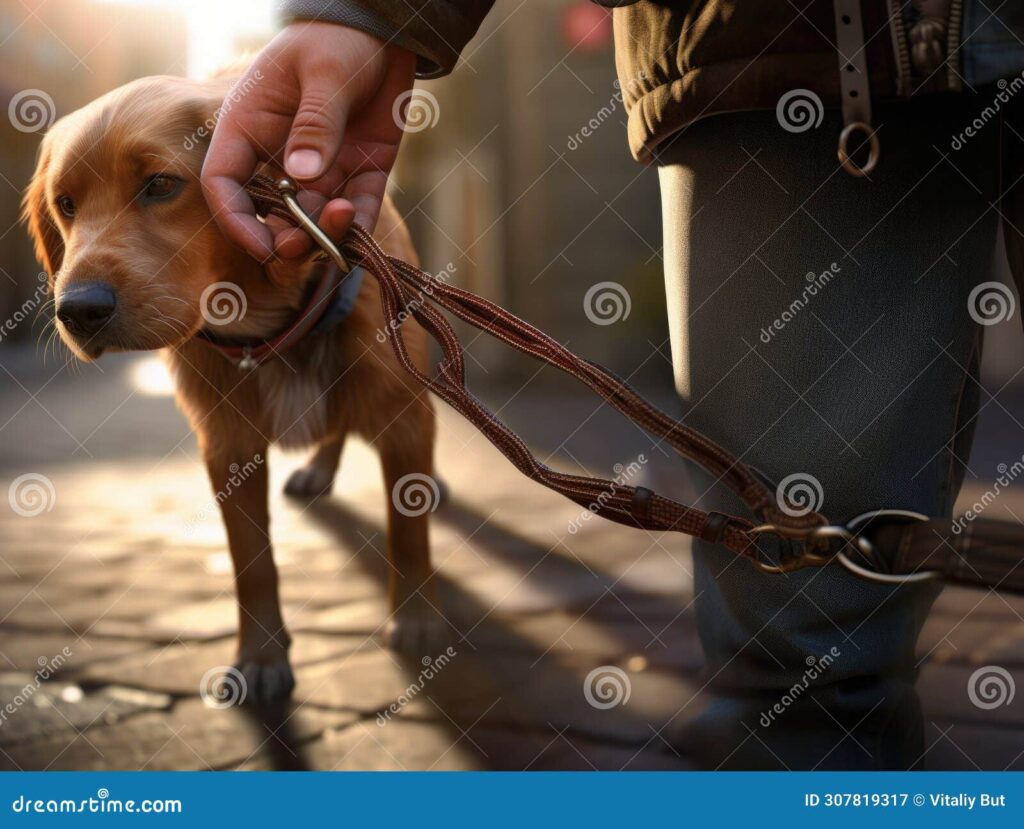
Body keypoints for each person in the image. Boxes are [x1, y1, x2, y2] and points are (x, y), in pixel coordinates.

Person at [201, 1, 1024, 769]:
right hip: (784, 49)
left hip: (782, 66)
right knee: (805, 648)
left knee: (806, 622)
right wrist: (372, 14)